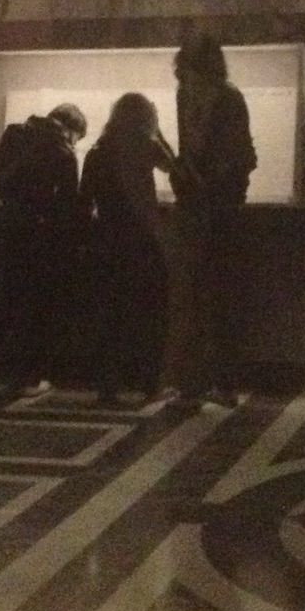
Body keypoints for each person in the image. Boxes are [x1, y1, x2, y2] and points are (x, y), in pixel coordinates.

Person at [171, 36, 256, 407]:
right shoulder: (185, 98)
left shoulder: (229, 99)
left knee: (219, 295)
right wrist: (182, 174)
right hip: (194, 207)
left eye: (188, 71)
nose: (184, 80)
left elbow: (242, 156)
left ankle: (223, 381)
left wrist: (215, 181)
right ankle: (194, 381)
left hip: (220, 211)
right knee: (193, 297)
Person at [79, 92, 176, 404]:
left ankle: (107, 386)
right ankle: (150, 383)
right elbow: (174, 167)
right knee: (149, 313)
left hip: (107, 242)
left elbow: (84, 199)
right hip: (143, 241)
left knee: (110, 316)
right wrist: (158, 132)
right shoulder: (145, 147)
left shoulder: (98, 150)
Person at [0, 101, 87, 392]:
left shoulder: (14, 134)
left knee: (6, 300)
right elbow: (69, 204)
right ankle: (33, 375)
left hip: (10, 229)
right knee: (40, 308)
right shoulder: (64, 152)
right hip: (44, 237)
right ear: (72, 131)